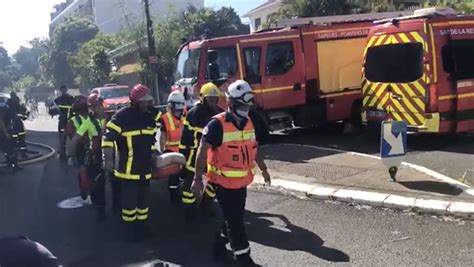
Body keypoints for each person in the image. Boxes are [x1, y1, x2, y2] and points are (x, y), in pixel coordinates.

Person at [192, 80, 271, 267]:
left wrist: (264, 169)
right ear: (231, 103)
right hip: (222, 182)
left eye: (248, 105)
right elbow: (202, 151)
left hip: (241, 182)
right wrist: (197, 179)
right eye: (242, 105)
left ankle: (218, 246)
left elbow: (254, 148)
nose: (246, 108)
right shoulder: (216, 125)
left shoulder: (249, 122)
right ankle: (243, 259)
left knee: (234, 217)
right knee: (236, 222)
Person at [103, 84, 157, 241]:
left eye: (148, 101)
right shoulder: (121, 116)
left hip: (145, 170)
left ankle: (142, 227)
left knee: (144, 203)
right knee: (129, 205)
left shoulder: (148, 118)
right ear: (135, 101)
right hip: (128, 172)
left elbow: (151, 141)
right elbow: (108, 139)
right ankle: (129, 231)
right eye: (144, 101)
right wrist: (108, 160)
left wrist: (153, 155)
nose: (147, 104)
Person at [179, 82, 223, 222]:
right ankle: (189, 211)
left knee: (213, 183)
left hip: (214, 155)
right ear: (203, 98)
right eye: (210, 99)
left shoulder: (220, 113)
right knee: (189, 186)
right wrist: (183, 158)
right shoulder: (193, 113)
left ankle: (206, 204)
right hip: (194, 155)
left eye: (215, 99)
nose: (213, 102)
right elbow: (185, 138)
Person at [67, 93, 107, 220]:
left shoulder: (109, 119)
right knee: (98, 183)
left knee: (109, 181)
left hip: (108, 154)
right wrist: (71, 155)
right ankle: (100, 207)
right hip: (94, 156)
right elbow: (74, 140)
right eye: (97, 106)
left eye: (101, 105)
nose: (100, 108)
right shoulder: (89, 122)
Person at [158, 91, 186, 204]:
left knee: (183, 174)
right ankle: (174, 197)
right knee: (174, 176)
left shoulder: (185, 116)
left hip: (183, 150)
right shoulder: (165, 118)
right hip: (171, 151)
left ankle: (182, 192)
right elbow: (162, 138)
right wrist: (162, 152)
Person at [65, 95, 92, 204]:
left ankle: (84, 187)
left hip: (80, 148)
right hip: (92, 146)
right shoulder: (93, 118)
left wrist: (68, 153)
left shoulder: (72, 121)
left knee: (82, 169)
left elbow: (67, 137)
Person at [49, 85, 75, 160]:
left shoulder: (70, 99)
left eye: (64, 90)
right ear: (61, 91)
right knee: (62, 137)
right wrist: (53, 111)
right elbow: (52, 109)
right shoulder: (58, 100)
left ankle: (69, 152)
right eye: (62, 90)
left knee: (70, 136)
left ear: (66, 90)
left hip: (70, 121)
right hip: (63, 121)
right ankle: (63, 152)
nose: (64, 91)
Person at [7, 92, 29, 158]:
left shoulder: (8, 106)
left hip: (12, 125)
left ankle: (13, 155)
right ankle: (23, 154)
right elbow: (24, 116)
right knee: (21, 140)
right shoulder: (19, 106)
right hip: (18, 124)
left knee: (12, 140)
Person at [0, 105, 20, 172]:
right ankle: (14, 166)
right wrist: (6, 133)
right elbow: (1, 123)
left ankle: (10, 163)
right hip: (2, 135)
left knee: (6, 150)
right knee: (10, 150)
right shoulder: (6, 110)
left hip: (3, 134)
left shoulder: (6, 110)